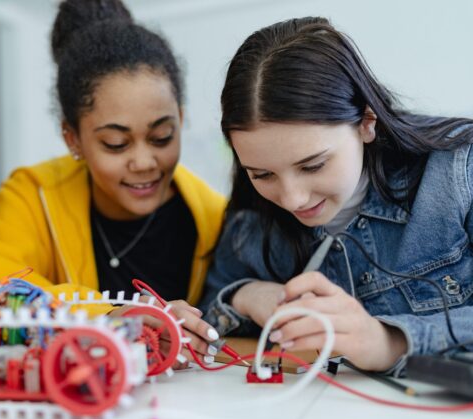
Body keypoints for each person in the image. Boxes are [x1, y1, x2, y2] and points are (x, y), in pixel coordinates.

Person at [200, 17, 473, 375]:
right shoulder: (254, 219)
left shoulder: (456, 171)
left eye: (312, 166)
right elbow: (207, 320)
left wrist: (388, 342)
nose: (293, 199)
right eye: (262, 174)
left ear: (366, 121)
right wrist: (246, 296)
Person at [0, 0, 225, 358]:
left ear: (179, 117)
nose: (144, 162)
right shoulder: (32, 196)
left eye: (162, 136)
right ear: (73, 138)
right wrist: (112, 319)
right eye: (116, 144)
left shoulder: (213, 215)